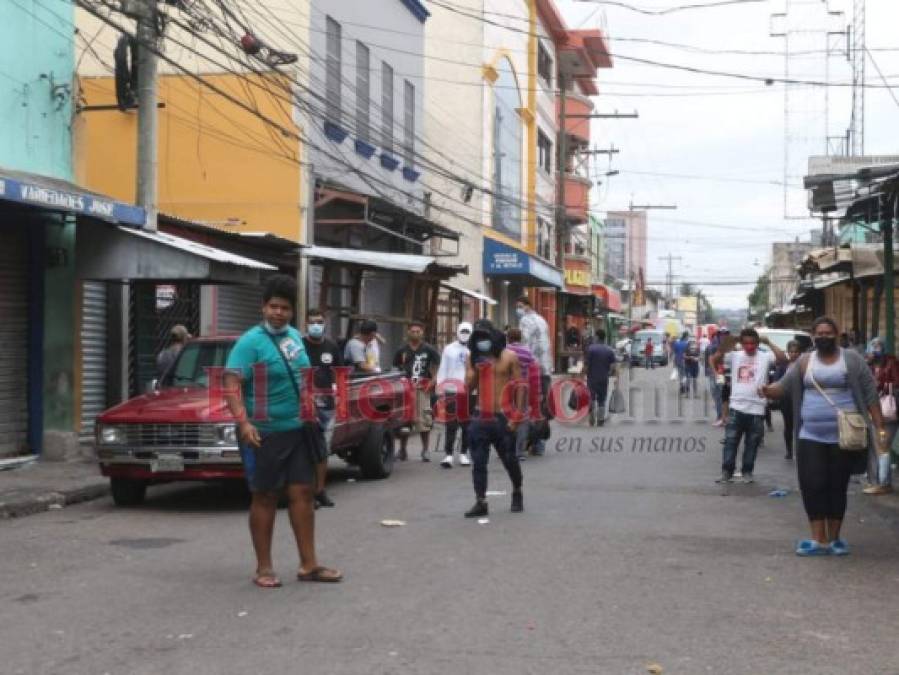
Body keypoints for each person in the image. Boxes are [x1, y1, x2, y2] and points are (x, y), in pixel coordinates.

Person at [223, 274, 341, 588]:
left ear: (292, 312)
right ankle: (264, 568)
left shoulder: (293, 337)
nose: (278, 312)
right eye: (273, 306)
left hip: (298, 428)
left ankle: (309, 564)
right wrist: (244, 423)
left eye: (284, 308)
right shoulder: (249, 343)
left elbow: (302, 375)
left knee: (303, 493)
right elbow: (232, 385)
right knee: (265, 497)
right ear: (263, 308)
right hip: (263, 432)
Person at [762, 317, 887, 556]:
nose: (823, 336)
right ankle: (818, 539)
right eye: (819, 332)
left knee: (836, 487)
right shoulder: (804, 361)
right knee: (812, 486)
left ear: (837, 334)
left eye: (828, 332)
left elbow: (870, 393)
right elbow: (784, 386)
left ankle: (835, 539)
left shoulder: (851, 359)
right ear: (813, 335)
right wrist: (767, 390)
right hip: (810, 436)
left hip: (844, 437)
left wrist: (879, 427)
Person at [464, 320, 524, 517]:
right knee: (479, 462)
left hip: (503, 417)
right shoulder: (473, 357)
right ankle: (480, 501)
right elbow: (469, 387)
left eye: (485, 337)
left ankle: (517, 491)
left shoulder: (510, 357)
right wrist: (478, 370)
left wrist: (516, 417)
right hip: (481, 416)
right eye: (478, 337)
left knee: (509, 460)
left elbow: (520, 387)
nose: (482, 341)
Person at [711, 328, 786, 484]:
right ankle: (726, 472)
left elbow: (782, 359)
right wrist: (732, 340)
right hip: (736, 408)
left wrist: (769, 342)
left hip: (757, 409)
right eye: (746, 343)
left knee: (752, 444)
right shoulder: (735, 356)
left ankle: (747, 472)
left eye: (753, 343)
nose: (749, 346)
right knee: (730, 442)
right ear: (742, 343)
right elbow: (716, 358)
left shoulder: (765, 357)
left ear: (758, 343)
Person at [302, 307, 343, 509]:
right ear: (306, 324)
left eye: (319, 322)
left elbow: (339, 372)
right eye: (312, 322)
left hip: (327, 405)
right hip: (304, 405)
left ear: (324, 323)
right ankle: (307, 493)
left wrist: (339, 394)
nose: (316, 326)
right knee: (305, 450)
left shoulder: (331, 346)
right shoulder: (298, 346)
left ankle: (320, 490)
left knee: (323, 450)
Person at [393, 321, 441, 462]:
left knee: (424, 420)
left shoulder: (429, 349)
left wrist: (433, 381)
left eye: (418, 331)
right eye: (412, 331)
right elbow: (395, 368)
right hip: (406, 390)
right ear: (408, 332)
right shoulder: (401, 350)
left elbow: (439, 364)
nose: (415, 333)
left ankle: (425, 450)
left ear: (422, 333)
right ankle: (402, 450)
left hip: (423, 389)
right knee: (404, 422)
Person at [516, 296, 552, 455]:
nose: (518, 309)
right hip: (545, 370)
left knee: (524, 406)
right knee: (541, 406)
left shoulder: (525, 321)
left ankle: (525, 443)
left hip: (530, 371)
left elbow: (522, 345)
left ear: (528, 306)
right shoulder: (543, 320)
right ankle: (539, 444)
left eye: (520, 306)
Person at [435, 322, 473, 468]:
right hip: (451, 389)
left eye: (467, 331)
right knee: (451, 424)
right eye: (462, 331)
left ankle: (463, 453)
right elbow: (443, 368)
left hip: (469, 391)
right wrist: (440, 386)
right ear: (457, 331)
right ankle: (448, 454)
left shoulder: (474, 349)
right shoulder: (449, 349)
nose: (464, 333)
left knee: (466, 424)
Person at [866, 352, 898, 494]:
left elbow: (895, 385)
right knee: (880, 446)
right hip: (878, 412)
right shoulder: (872, 367)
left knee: (882, 447)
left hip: (888, 413)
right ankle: (882, 481)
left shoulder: (891, 364)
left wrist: (883, 386)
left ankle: (883, 483)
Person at [506, 327, 536, 460]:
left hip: (507, 387)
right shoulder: (527, 351)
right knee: (522, 417)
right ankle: (520, 452)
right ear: (520, 338)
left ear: (508, 338)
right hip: (523, 387)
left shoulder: (504, 351)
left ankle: (507, 449)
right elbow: (534, 367)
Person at [584, 328, 617, 427]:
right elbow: (613, 367)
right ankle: (600, 419)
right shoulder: (609, 350)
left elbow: (586, 365)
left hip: (592, 378)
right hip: (603, 378)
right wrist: (609, 373)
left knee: (591, 398)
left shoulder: (591, 349)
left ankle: (592, 416)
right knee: (602, 400)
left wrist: (584, 374)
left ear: (597, 337)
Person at [775, 340, 803, 460]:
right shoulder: (783, 366)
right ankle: (789, 451)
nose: (793, 354)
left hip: (801, 399)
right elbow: (777, 382)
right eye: (791, 352)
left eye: (796, 352)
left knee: (801, 425)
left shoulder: (804, 365)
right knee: (788, 426)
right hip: (786, 400)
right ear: (788, 352)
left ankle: (801, 449)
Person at [704, 332, 723, 424]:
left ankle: (720, 417)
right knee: (720, 394)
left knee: (717, 394)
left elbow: (709, 361)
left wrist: (714, 373)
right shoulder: (721, 345)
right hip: (720, 374)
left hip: (715, 374)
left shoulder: (712, 346)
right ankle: (722, 416)